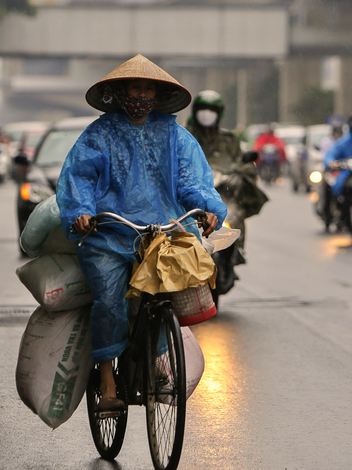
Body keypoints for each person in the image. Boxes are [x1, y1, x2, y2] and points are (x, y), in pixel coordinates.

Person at [56, 55, 227, 412]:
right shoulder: (99, 134)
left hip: (162, 232)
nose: (143, 94)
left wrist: (209, 207)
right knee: (109, 301)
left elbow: (192, 179)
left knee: (167, 298)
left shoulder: (175, 136)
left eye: (149, 88)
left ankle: (154, 361)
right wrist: (82, 212)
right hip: (109, 234)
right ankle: (106, 382)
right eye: (136, 87)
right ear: (121, 92)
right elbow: (80, 177)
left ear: (158, 94)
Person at [185, 90, 267, 248]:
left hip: (222, 195)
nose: (207, 114)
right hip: (188, 200)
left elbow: (243, 164)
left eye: (212, 110)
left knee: (234, 217)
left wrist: (241, 173)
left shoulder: (229, 140)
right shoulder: (184, 136)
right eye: (203, 109)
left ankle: (238, 251)